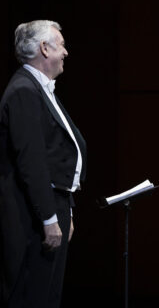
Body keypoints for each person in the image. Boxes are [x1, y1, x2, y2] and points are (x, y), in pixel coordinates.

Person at [0, 20, 87, 308]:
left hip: (53, 206)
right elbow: (32, 162)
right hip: (33, 215)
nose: (66, 52)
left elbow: (56, 155)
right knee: (33, 296)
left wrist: (67, 210)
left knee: (48, 296)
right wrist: (49, 218)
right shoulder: (24, 90)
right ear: (44, 48)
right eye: (60, 45)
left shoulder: (40, 89)